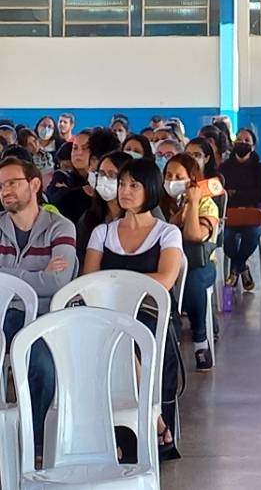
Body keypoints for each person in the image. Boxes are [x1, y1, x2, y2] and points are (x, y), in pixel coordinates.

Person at [83, 158, 182, 457]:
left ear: (149, 189)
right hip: (104, 312)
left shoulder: (167, 233)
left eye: (134, 185)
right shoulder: (103, 232)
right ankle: (151, 420)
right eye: (122, 184)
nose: (124, 190)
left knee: (128, 334)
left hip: (149, 313)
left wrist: (114, 284)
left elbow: (164, 279)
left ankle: (147, 422)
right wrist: (122, 287)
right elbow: (89, 280)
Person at [0, 157, 77, 450]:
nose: (5, 190)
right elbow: (45, 280)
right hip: (3, 314)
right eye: (1, 185)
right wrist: (35, 276)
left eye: (12, 183)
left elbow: (58, 283)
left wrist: (6, 277)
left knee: (42, 366)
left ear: (34, 184)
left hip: (45, 318)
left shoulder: (60, 227)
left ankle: (34, 443)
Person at [161, 153, 218, 370]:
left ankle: (200, 340)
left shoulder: (207, 205)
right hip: (167, 263)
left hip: (200, 264)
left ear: (192, 179)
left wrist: (193, 204)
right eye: (168, 175)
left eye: (178, 176)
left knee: (193, 281)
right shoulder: (160, 202)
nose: (172, 180)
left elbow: (194, 235)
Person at [219, 128, 261, 291]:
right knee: (226, 238)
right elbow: (220, 193)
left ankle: (234, 270)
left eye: (247, 140)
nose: (242, 143)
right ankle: (242, 268)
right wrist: (241, 195)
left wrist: (235, 193)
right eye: (239, 140)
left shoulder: (260, 168)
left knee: (251, 234)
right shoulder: (224, 168)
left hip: (256, 217)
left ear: (253, 146)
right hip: (231, 217)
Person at [47, 128, 120, 224]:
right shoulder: (68, 194)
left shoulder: (124, 201)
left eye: (111, 174)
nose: (79, 153)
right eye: (75, 148)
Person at [76, 151, 132, 263]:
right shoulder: (89, 218)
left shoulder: (142, 217)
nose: (105, 179)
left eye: (112, 175)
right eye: (101, 173)